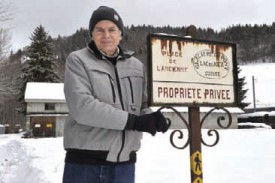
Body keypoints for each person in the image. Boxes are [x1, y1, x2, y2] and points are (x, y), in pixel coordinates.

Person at [62, 6, 170, 183]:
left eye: (112, 30)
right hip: (85, 165)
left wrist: (152, 118)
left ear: (120, 34)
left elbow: (141, 105)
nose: (106, 35)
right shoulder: (78, 60)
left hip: (124, 166)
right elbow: (82, 106)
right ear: (91, 34)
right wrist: (135, 122)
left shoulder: (136, 65)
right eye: (99, 30)